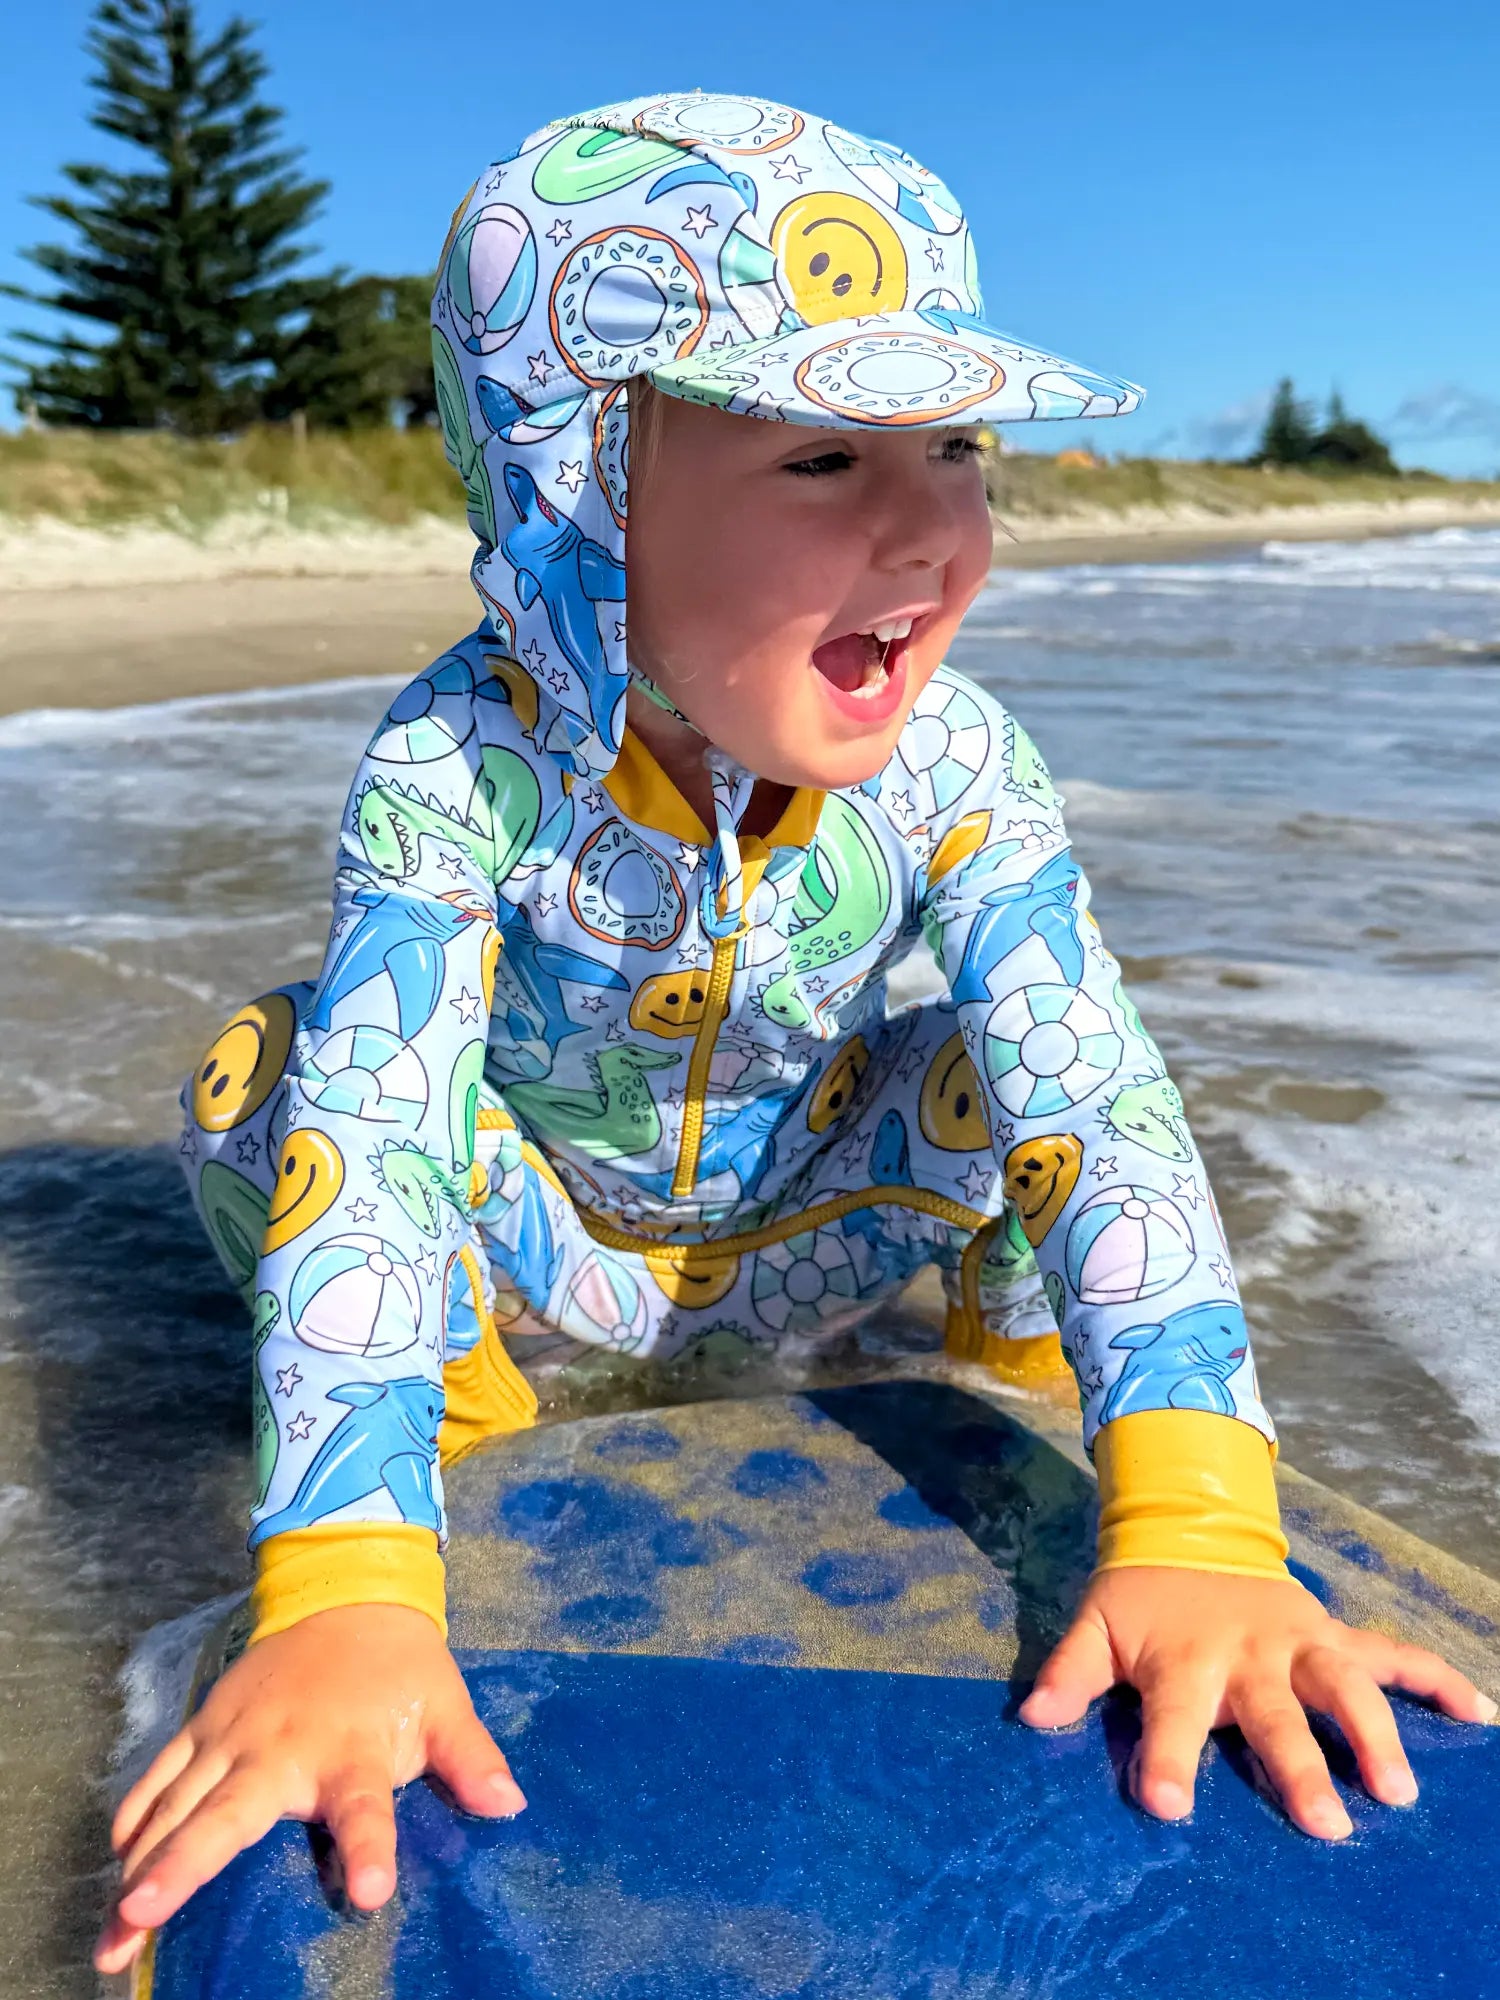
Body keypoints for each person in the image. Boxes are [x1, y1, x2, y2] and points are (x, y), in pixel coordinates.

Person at [95, 90, 1493, 1975]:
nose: (930, 529)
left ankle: (1014, 1388)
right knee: (278, 1081)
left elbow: (1099, 1096)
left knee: (1005, 1072)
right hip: (533, 1249)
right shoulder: (459, 761)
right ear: (582, 494)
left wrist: (1205, 1528)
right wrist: (340, 1585)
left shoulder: (963, 762)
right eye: (826, 456)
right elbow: (386, 1128)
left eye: (959, 448)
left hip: (809, 1232)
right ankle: (465, 1442)